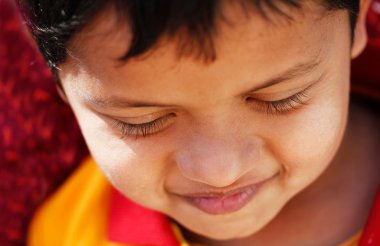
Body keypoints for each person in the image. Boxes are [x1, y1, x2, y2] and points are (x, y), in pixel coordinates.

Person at [20, 0, 380, 245]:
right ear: (59, 78)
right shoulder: (73, 232)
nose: (220, 172)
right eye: (144, 121)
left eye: (280, 99)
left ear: (359, 20)